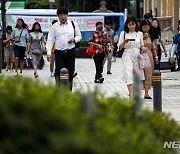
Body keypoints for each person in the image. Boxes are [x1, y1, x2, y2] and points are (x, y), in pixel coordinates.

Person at [46, 7, 82, 90]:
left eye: (64, 14)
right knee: (59, 71)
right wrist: (48, 53)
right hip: (59, 53)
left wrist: (74, 39)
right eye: (61, 15)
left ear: (67, 15)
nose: (63, 16)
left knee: (70, 72)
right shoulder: (54, 27)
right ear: (58, 16)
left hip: (70, 52)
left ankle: (69, 92)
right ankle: (59, 89)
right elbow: (50, 40)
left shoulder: (73, 24)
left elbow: (79, 36)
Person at [117, 17, 146, 99]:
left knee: (137, 75)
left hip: (137, 55)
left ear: (136, 24)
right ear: (127, 25)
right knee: (129, 74)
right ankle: (131, 96)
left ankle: (134, 93)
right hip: (127, 55)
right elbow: (119, 47)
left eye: (133, 24)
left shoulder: (139, 33)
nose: (131, 26)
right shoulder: (123, 33)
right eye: (129, 25)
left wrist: (143, 48)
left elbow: (141, 45)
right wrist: (124, 42)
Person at [140, 20, 159, 99]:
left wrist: (156, 56)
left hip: (149, 56)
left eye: (148, 27)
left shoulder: (150, 35)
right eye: (144, 27)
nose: (146, 29)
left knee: (148, 74)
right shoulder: (138, 35)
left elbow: (153, 47)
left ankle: (146, 92)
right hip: (140, 56)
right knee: (140, 74)